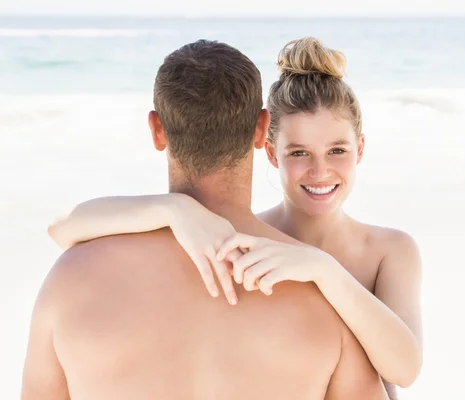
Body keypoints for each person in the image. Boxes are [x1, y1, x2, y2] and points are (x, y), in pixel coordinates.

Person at [47, 38, 423, 399]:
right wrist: (173, 209)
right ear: (269, 148)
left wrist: (325, 269)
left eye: (337, 150)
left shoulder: (389, 251)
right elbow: (64, 228)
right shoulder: (242, 240)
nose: (319, 171)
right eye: (298, 153)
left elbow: (405, 371)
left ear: (360, 148)